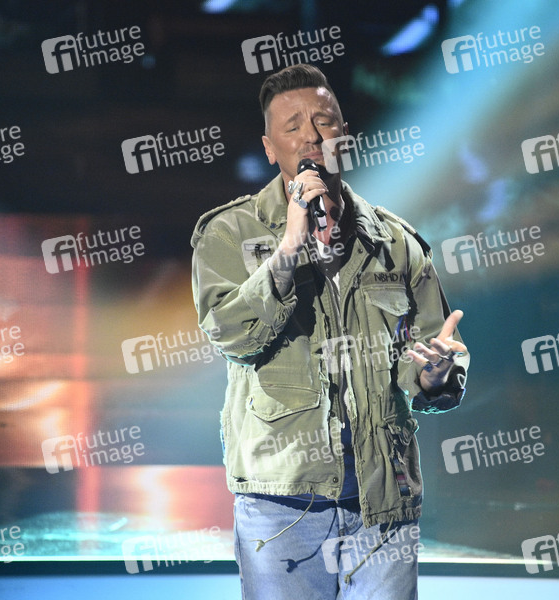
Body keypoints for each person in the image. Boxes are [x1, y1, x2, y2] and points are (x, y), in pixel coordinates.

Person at [190, 64, 469, 600]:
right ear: (270, 148)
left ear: (346, 136)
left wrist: (434, 375)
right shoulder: (228, 232)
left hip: (381, 499)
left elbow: (431, 353)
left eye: (324, 122)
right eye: (293, 126)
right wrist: (289, 247)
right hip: (281, 503)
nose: (311, 137)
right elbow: (231, 336)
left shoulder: (395, 242)